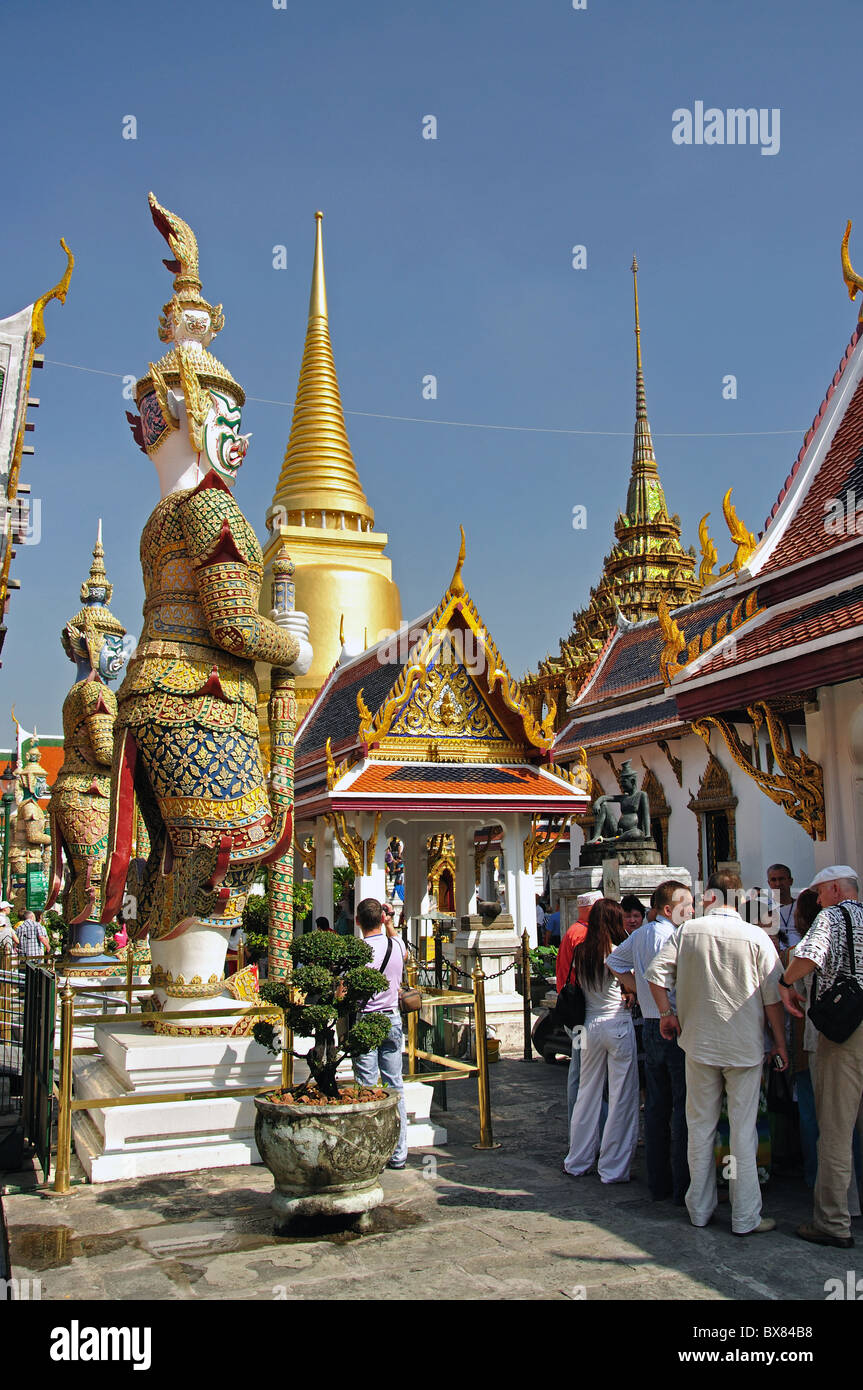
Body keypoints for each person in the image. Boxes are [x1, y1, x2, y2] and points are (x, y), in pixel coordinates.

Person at [645, 870, 788, 1236]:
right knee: (743, 1130)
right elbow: (773, 999)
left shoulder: (688, 932)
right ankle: (744, 1215)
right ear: (736, 899)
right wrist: (780, 1043)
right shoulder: (757, 936)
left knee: (700, 1126)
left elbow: (655, 975)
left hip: (700, 1044)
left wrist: (667, 1014)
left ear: (708, 898)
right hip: (744, 1046)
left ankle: (700, 1207)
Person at [778, 865, 863, 1249]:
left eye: (818, 893)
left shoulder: (831, 916)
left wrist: (784, 981)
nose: (816, 899)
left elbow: (808, 957)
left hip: (845, 1031)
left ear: (833, 889)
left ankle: (832, 1221)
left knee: (835, 1129)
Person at [607, 880, 693, 1203]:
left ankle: (659, 1181)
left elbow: (614, 963)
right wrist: (659, 1003)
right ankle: (682, 1182)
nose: (692, 911)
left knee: (657, 1103)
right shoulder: (672, 937)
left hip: (650, 1024)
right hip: (672, 1022)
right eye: (686, 905)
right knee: (681, 1105)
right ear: (668, 909)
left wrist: (636, 990)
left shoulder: (641, 935)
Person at [563, 897, 639, 1183]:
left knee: (587, 1094)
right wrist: (631, 988)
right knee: (621, 1097)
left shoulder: (583, 950)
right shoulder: (616, 952)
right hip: (616, 1023)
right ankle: (612, 1167)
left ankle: (578, 1159)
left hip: (589, 1025)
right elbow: (632, 985)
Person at [352, 896, 408, 1170]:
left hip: (367, 1020)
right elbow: (403, 950)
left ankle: (371, 1152)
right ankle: (399, 1153)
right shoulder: (396, 946)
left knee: (367, 1086)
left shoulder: (357, 951)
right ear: (382, 919)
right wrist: (390, 923)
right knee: (395, 1085)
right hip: (392, 1020)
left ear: (357, 921)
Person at [557, 889, 602, 1122]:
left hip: (574, 1011)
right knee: (582, 1069)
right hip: (581, 1013)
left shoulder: (574, 931)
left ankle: (578, 1118)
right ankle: (580, 1119)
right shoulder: (583, 935)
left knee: (578, 1066)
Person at [766, 863, 798, 949]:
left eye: (781, 879)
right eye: (773, 880)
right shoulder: (764, 909)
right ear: (769, 883)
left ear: (790, 881)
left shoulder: (801, 906)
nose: (778, 883)